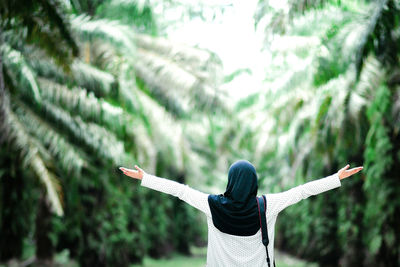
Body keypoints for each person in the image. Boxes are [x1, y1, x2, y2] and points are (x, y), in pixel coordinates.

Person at [120, 160, 363, 267]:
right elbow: (302, 192)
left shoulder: (211, 204)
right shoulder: (267, 206)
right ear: (254, 182)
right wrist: (335, 179)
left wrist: (146, 178)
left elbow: (180, 191)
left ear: (231, 180)